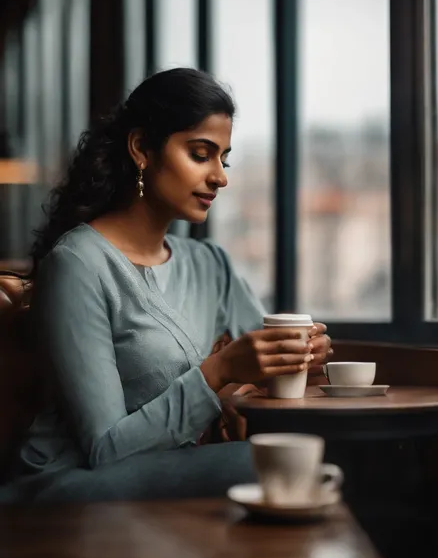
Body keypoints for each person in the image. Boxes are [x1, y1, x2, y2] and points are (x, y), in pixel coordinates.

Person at [7, 68, 332, 502]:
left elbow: (259, 360)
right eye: (201, 154)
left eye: (224, 158)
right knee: (262, 463)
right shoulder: (77, 264)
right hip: (74, 480)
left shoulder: (209, 264)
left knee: (296, 458)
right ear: (141, 148)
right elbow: (105, 448)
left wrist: (299, 357)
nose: (220, 176)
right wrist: (218, 373)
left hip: (162, 470)